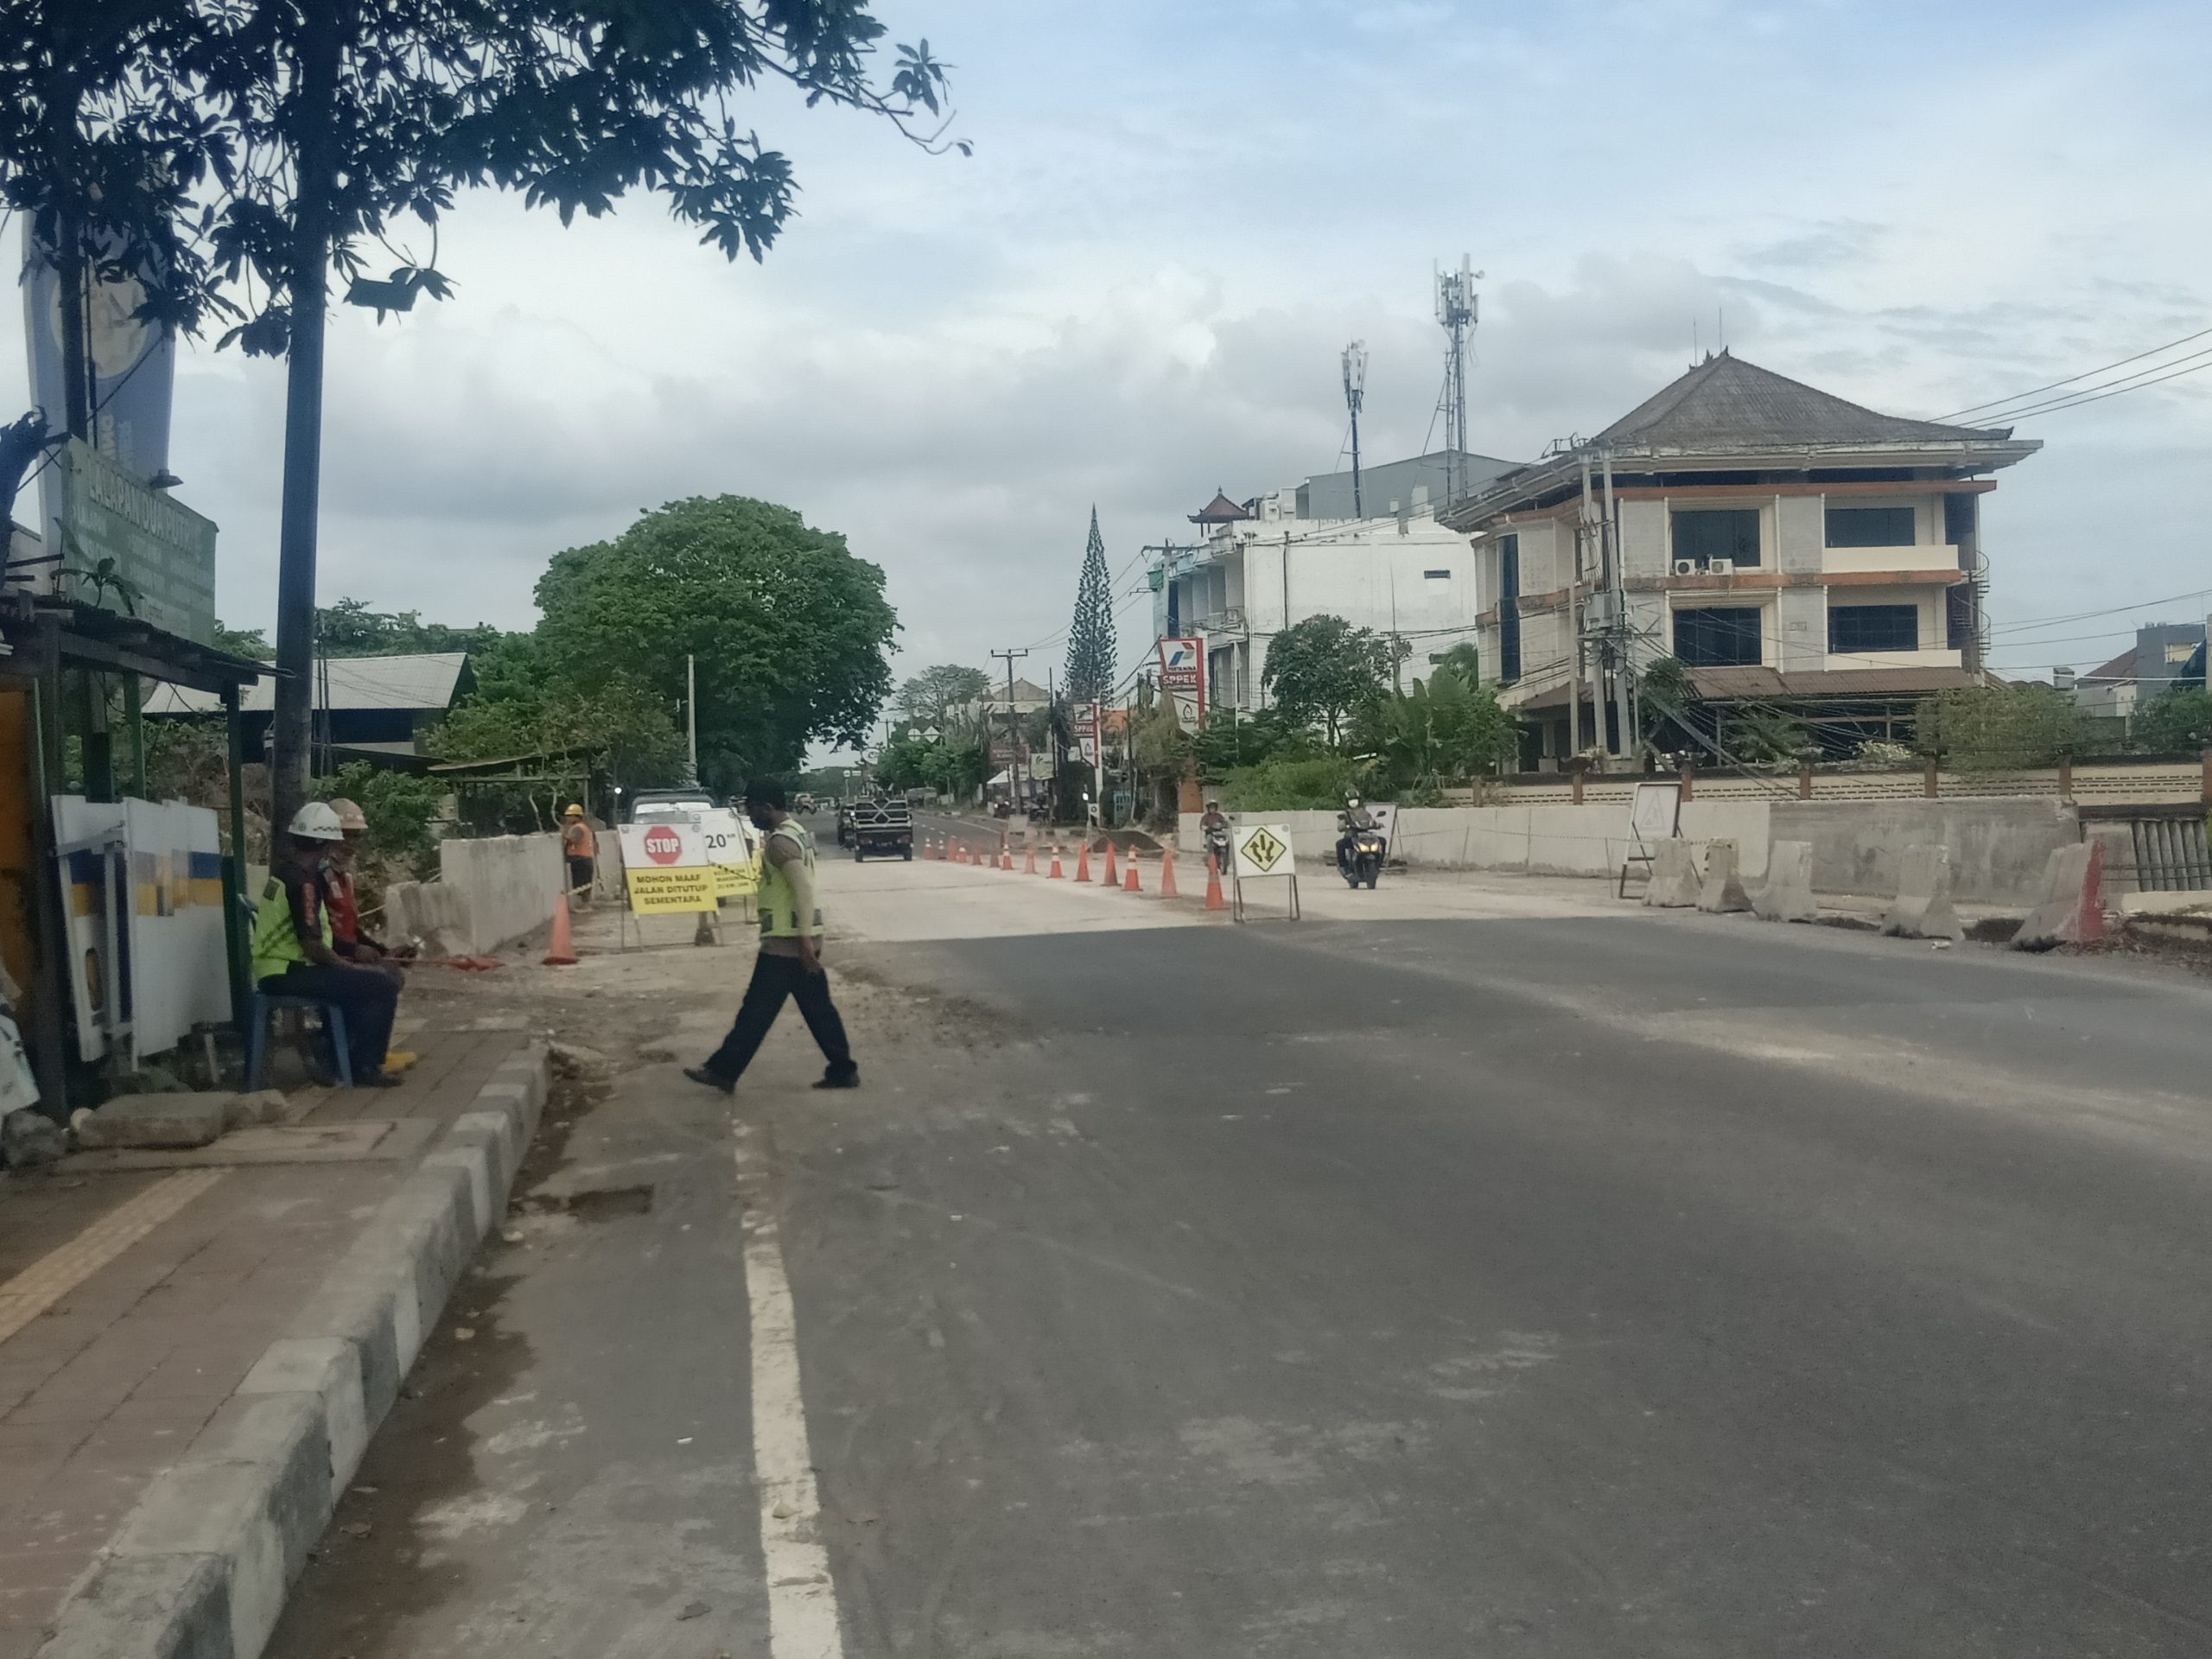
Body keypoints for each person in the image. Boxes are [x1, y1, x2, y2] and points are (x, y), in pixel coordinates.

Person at [684, 778, 858, 1095]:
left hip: (787, 944)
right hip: (796, 939)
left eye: (752, 809)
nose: (749, 815)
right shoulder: (795, 833)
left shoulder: (781, 842)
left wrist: (804, 941)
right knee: (818, 1009)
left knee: (756, 1011)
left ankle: (723, 1071)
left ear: (767, 807)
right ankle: (843, 1069)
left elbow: (802, 889)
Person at [251, 803, 401, 1087]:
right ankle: (365, 1066)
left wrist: (353, 957)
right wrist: (343, 964)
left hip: (276, 970)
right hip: (288, 973)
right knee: (381, 985)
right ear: (324, 844)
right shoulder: (304, 884)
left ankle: (339, 1058)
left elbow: (318, 938)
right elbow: (312, 946)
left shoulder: (287, 874)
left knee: (360, 983)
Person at [561, 804, 596, 907]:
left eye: (569, 816)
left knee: (581, 885)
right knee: (585, 885)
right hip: (586, 858)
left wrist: (564, 834)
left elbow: (573, 839)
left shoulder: (578, 828)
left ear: (576, 816)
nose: (567, 818)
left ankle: (585, 906)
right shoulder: (585, 827)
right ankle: (586, 905)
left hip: (580, 859)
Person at [1336, 792, 1376, 873]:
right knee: (1340, 844)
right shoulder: (1345, 813)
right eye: (1351, 800)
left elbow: (1371, 821)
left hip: (1365, 837)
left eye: (1355, 799)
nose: (1353, 801)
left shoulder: (1365, 812)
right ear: (1347, 801)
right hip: (1352, 837)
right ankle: (1344, 867)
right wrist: (1344, 826)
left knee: (1382, 841)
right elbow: (1340, 827)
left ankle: (1378, 864)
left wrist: (1377, 824)